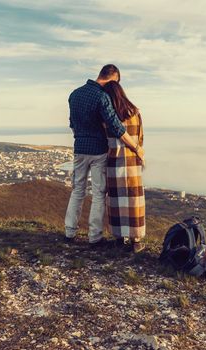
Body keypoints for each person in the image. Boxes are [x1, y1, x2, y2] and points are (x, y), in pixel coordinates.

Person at [64, 64, 144, 246]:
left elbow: (72, 123)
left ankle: (69, 232)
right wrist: (136, 147)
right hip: (98, 150)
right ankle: (94, 236)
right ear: (114, 78)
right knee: (99, 193)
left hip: (80, 148)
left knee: (77, 190)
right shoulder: (103, 96)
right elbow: (117, 128)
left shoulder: (74, 94)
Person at [102, 81, 146, 253]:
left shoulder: (107, 117)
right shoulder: (135, 113)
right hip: (133, 161)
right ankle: (136, 240)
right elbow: (140, 139)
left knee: (116, 200)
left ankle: (120, 238)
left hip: (114, 160)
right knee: (134, 199)